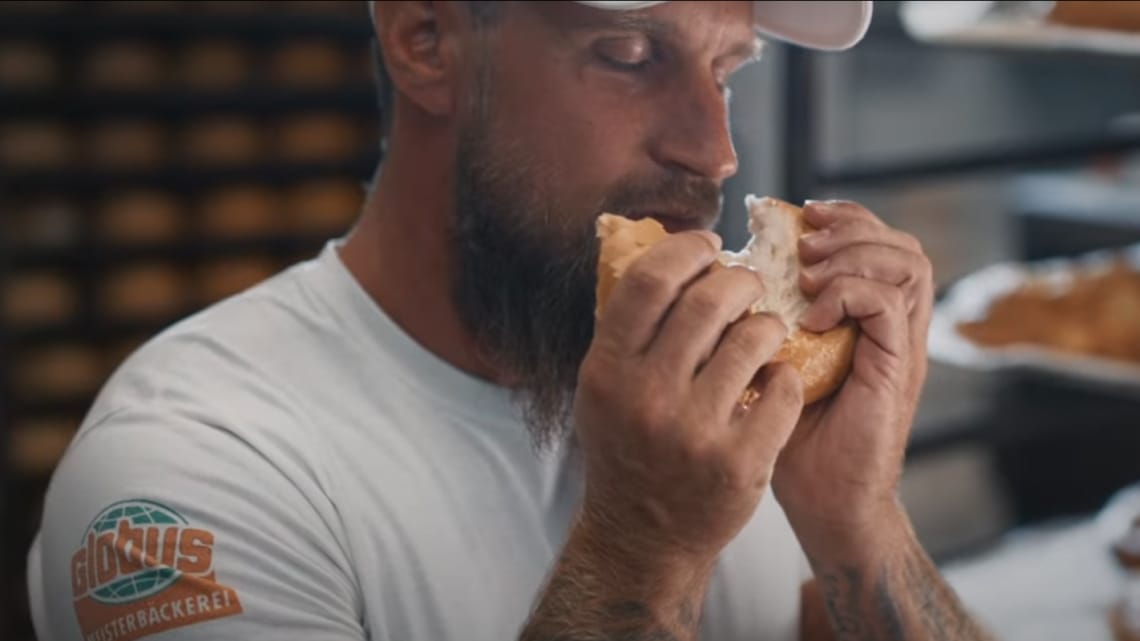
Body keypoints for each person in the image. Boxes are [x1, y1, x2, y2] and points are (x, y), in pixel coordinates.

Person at [27, 2, 998, 640]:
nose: (715, 148)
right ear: (426, 39)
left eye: (727, 70)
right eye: (628, 54)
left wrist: (857, 519)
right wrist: (641, 545)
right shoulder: (194, 465)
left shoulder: (705, 395)